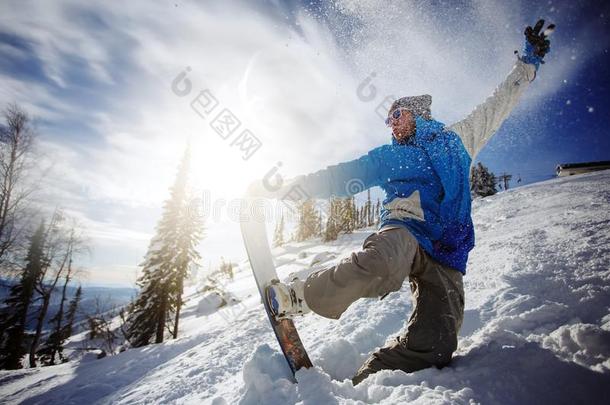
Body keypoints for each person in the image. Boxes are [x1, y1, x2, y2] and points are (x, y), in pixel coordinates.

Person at [248, 20, 554, 385]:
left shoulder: (457, 140)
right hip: (404, 232)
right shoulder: (389, 158)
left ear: (417, 113)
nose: (391, 125)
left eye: (396, 115)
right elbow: (342, 175)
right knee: (382, 264)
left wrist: (529, 63)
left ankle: (369, 380)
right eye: (388, 119)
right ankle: (298, 296)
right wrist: (287, 188)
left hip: (446, 252)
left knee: (437, 344)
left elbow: (498, 103)